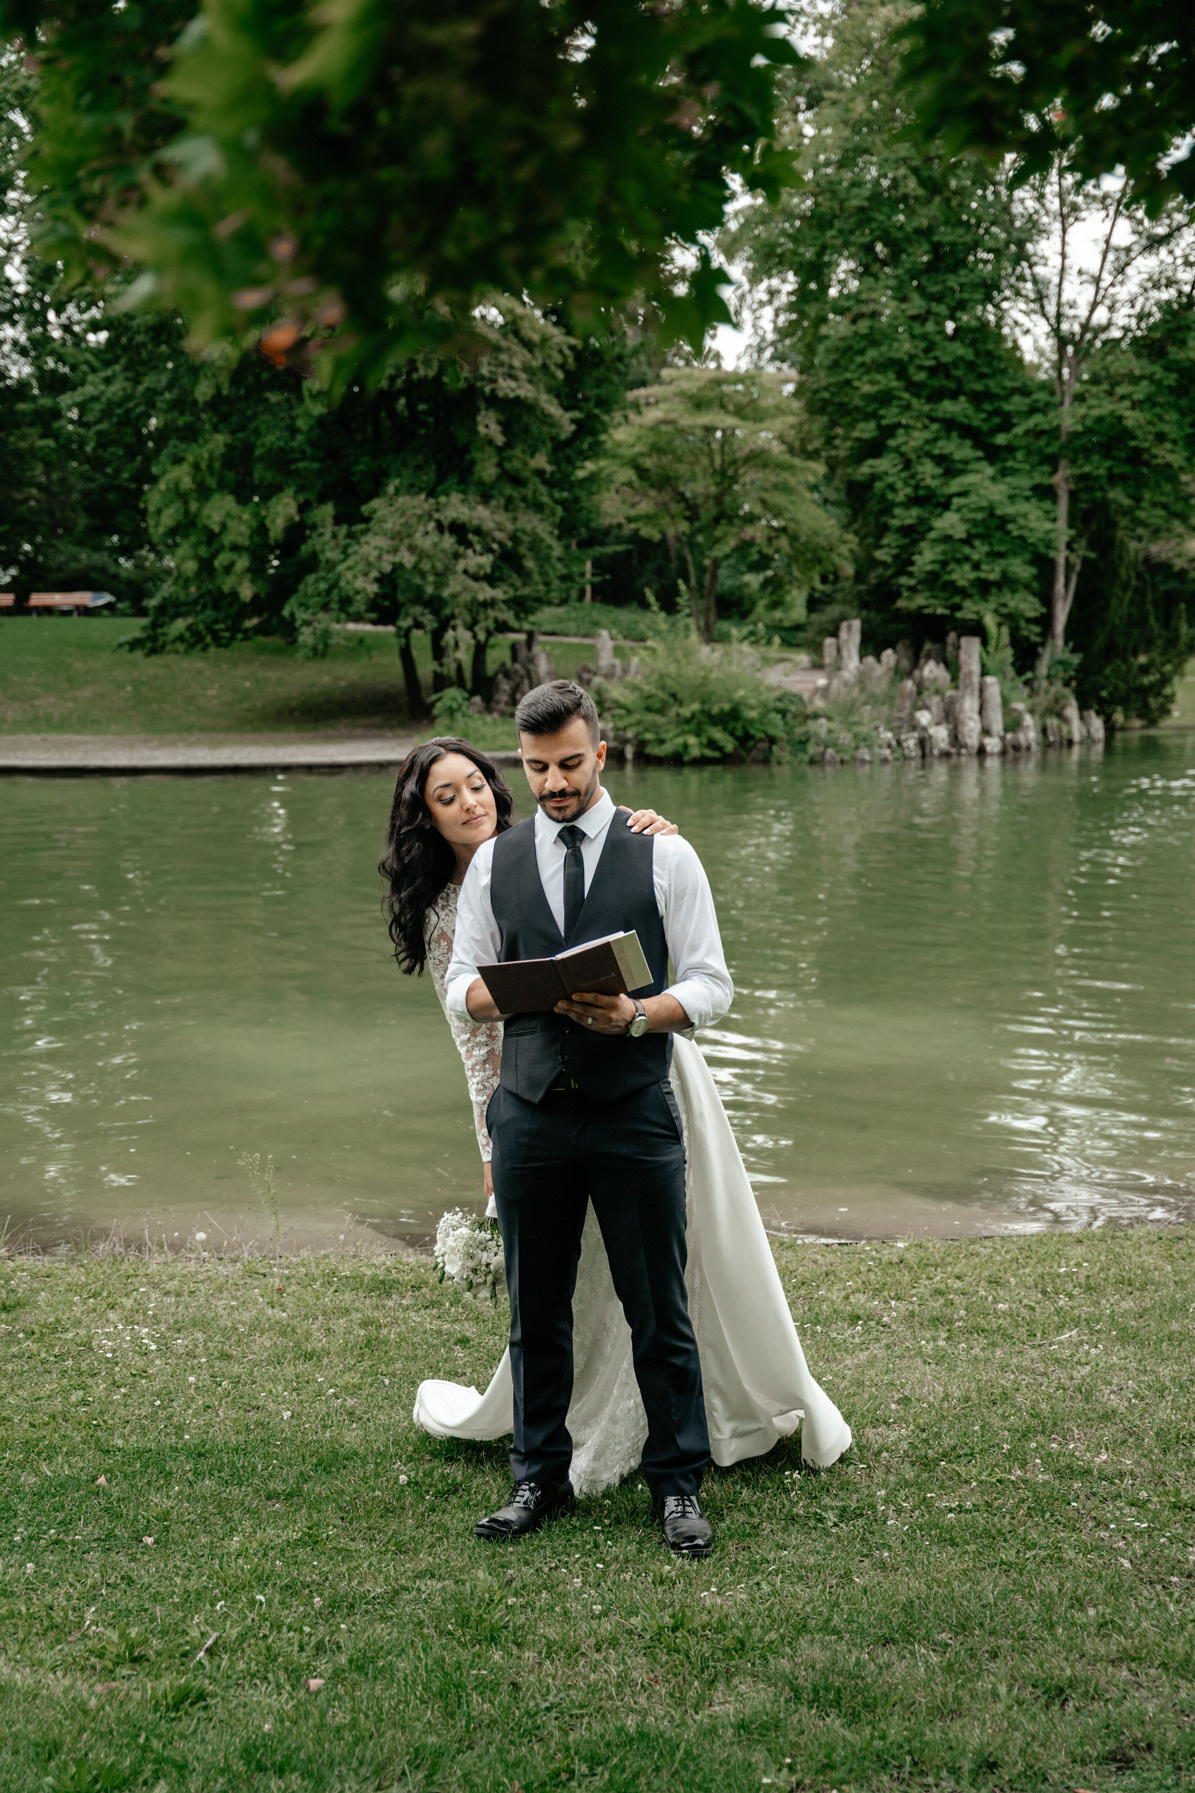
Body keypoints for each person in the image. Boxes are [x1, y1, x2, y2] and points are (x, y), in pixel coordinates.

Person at [440, 681, 851, 1557]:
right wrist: (501, 995)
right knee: (536, 1308)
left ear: (602, 754)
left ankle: (676, 1484)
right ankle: (536, 1475)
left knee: (657, 1305)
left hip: (634, 1108)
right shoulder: (494, 862)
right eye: (537, 766)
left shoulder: (664, 855)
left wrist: (635, 1013)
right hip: (529, 1112)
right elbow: (459, 982)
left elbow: (710, 982)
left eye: (570, 763)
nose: (554, 782)